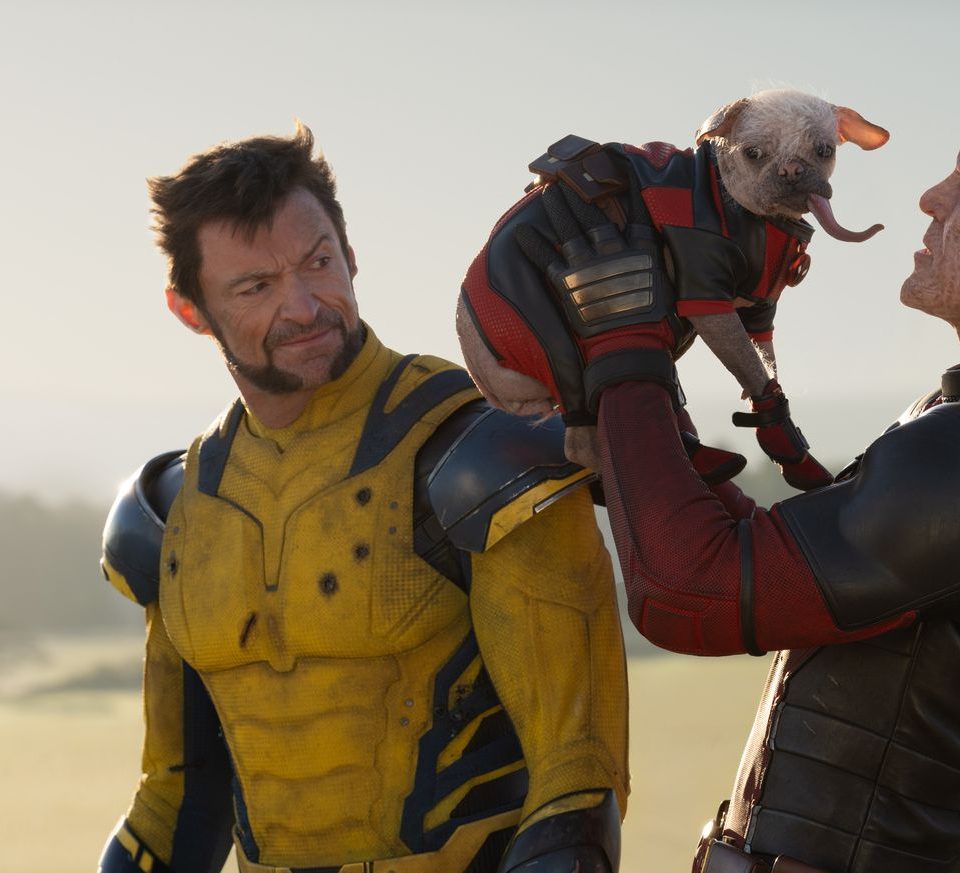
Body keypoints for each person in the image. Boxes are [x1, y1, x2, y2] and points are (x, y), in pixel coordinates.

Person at [97, 125, 629, 873]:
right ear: (191, 309)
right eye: (255, 287)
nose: (304, 306)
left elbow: (575, 784)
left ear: (349, 253)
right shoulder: (179, 516)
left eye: (317, 262)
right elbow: (172, 806)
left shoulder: (476, 457)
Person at [459, 146, 960, 872]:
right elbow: (767, 557)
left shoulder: (950, 457)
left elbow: (690, 589)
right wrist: (636, 409)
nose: (931, 198)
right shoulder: (939, 421)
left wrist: (623, 337)